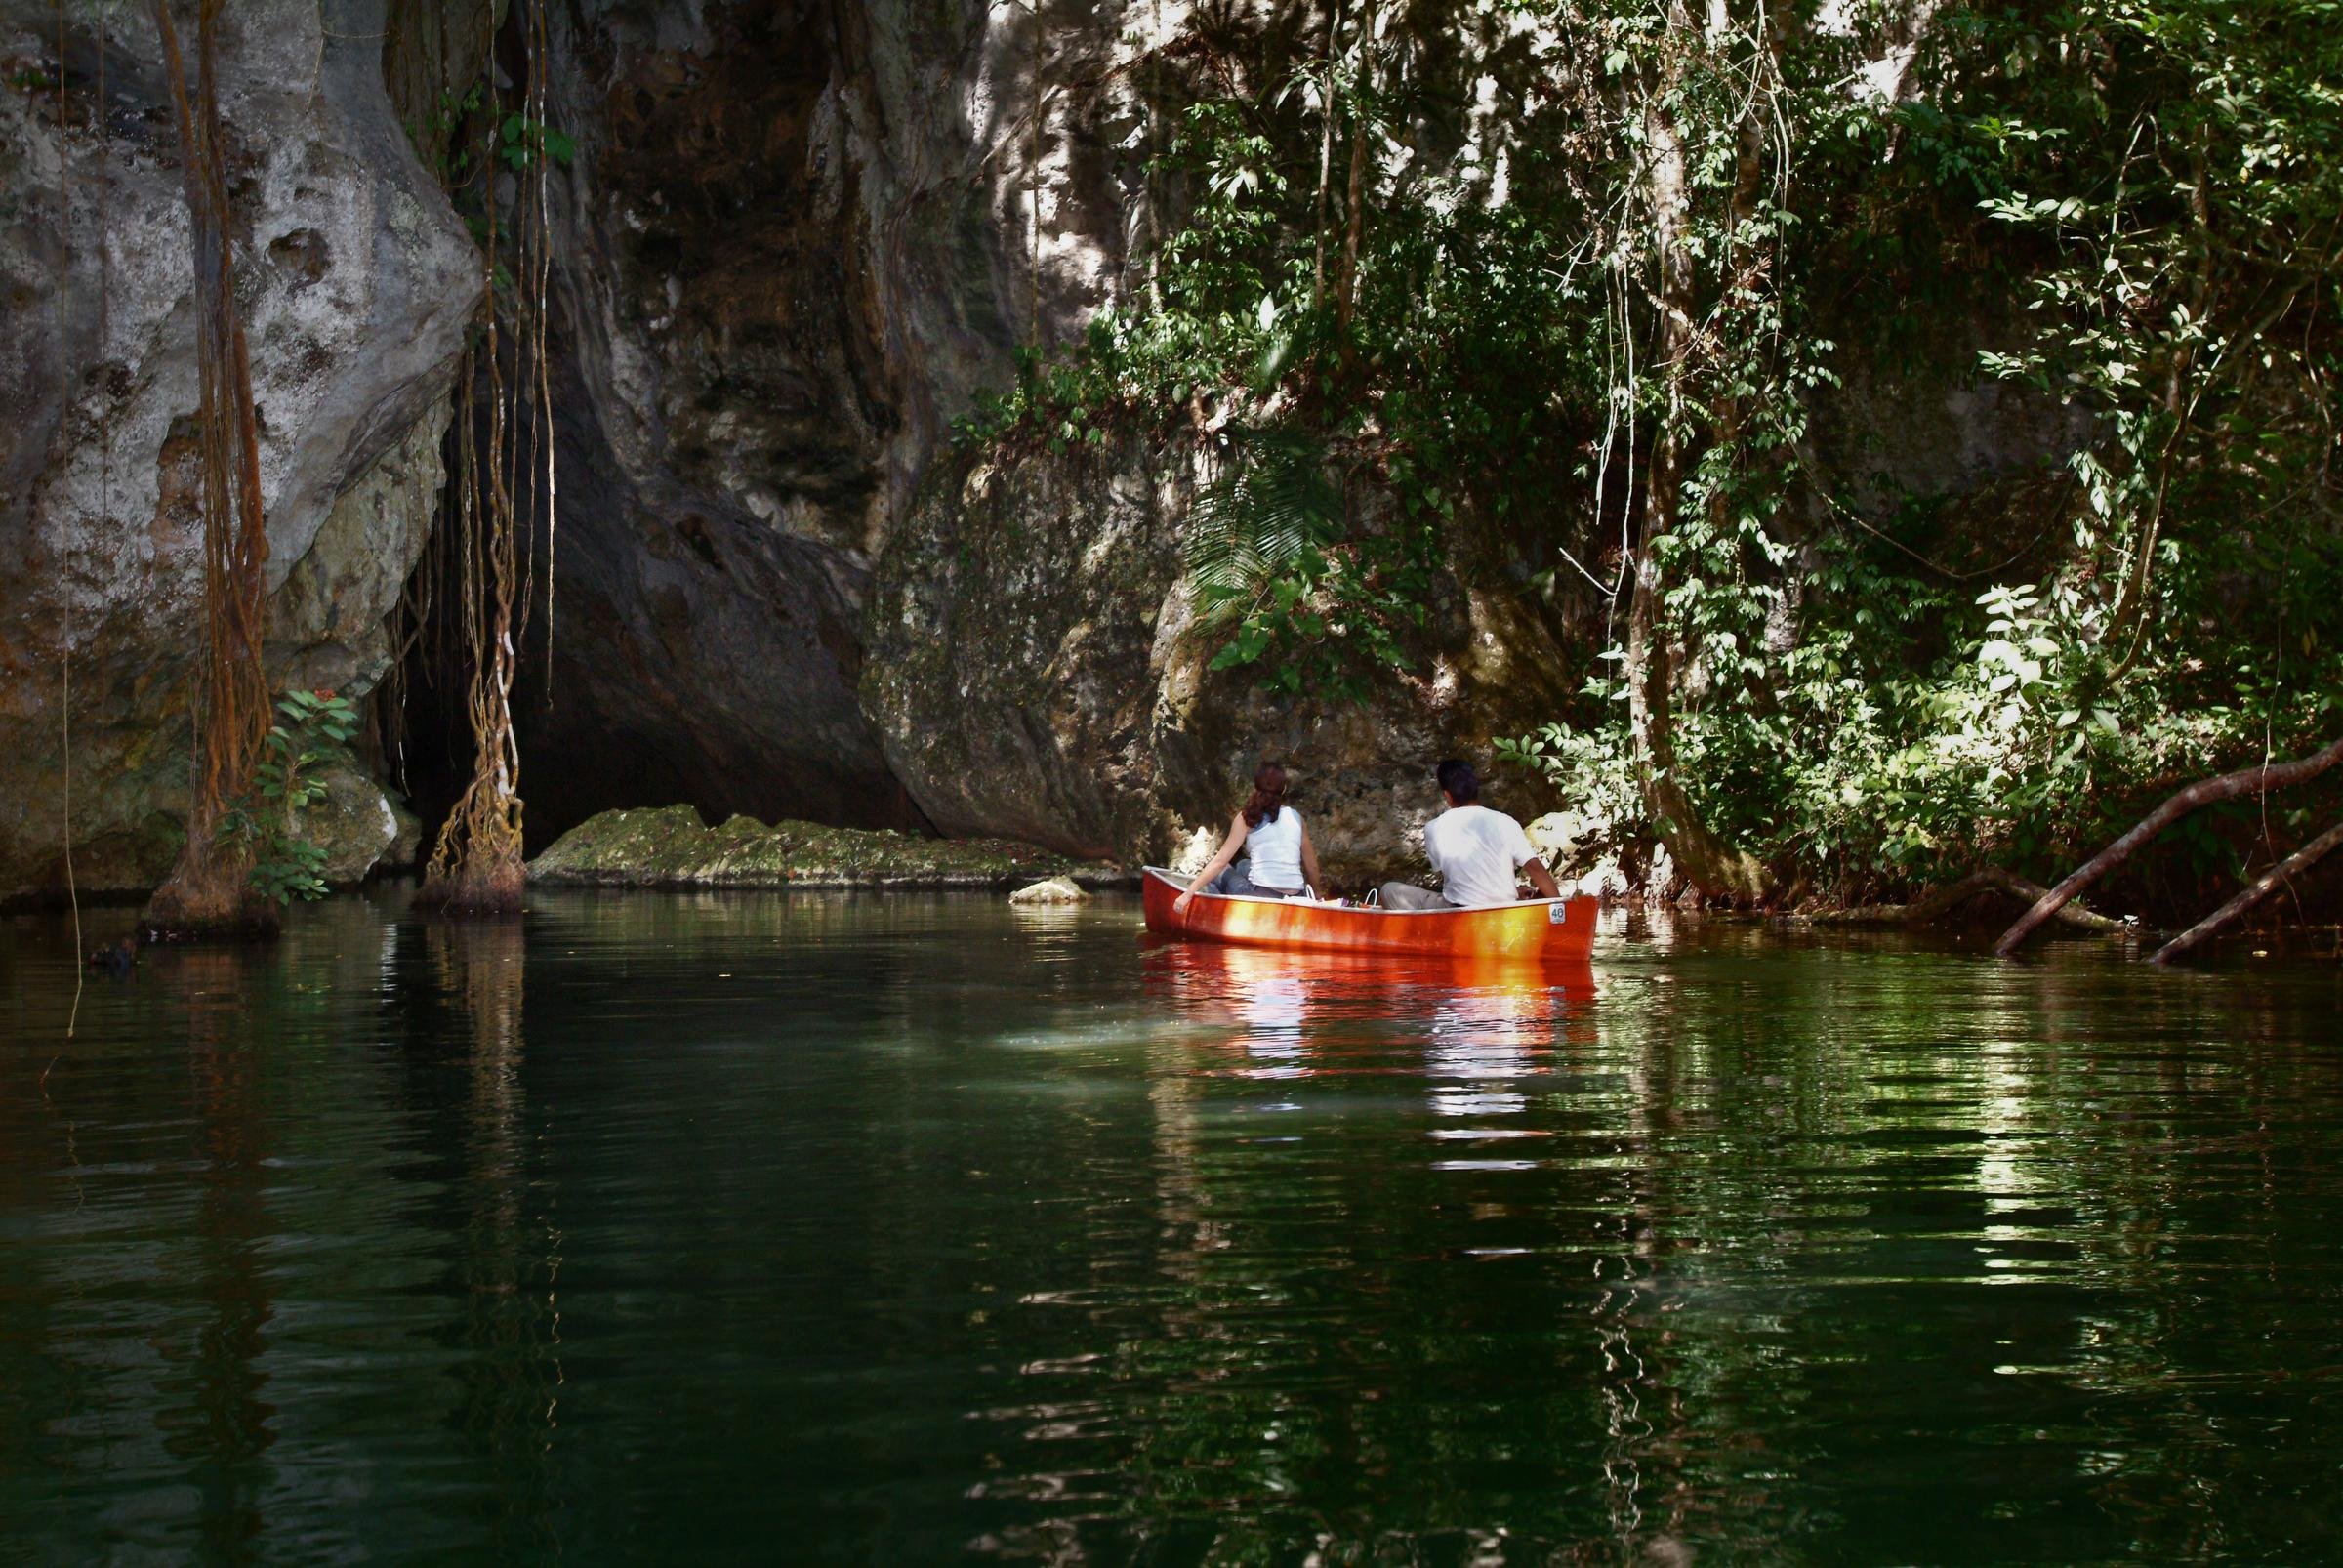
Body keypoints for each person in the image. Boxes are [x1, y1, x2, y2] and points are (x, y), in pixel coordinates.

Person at [1378, 759, 1561, 910]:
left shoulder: (1434, 828)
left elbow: (1461, 878)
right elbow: (1535, 868)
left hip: (1460, 913)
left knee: (1389, 890)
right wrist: (1559, 908)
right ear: (1475, 789)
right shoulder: (1505, 821)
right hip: (1505, 907)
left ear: (1447, 795)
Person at [1173, 762, 1326, 918]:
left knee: (1222, 871)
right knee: (1243, 865)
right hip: (1297, 896)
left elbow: (1219, 863)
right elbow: (1311, 865)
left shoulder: (1246, 818)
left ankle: (1216, 915)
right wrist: (1318, 895)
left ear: (1256, 786)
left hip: (1261, 897)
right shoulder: (1297, 818)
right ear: (1284, 789)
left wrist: (1188, 893)